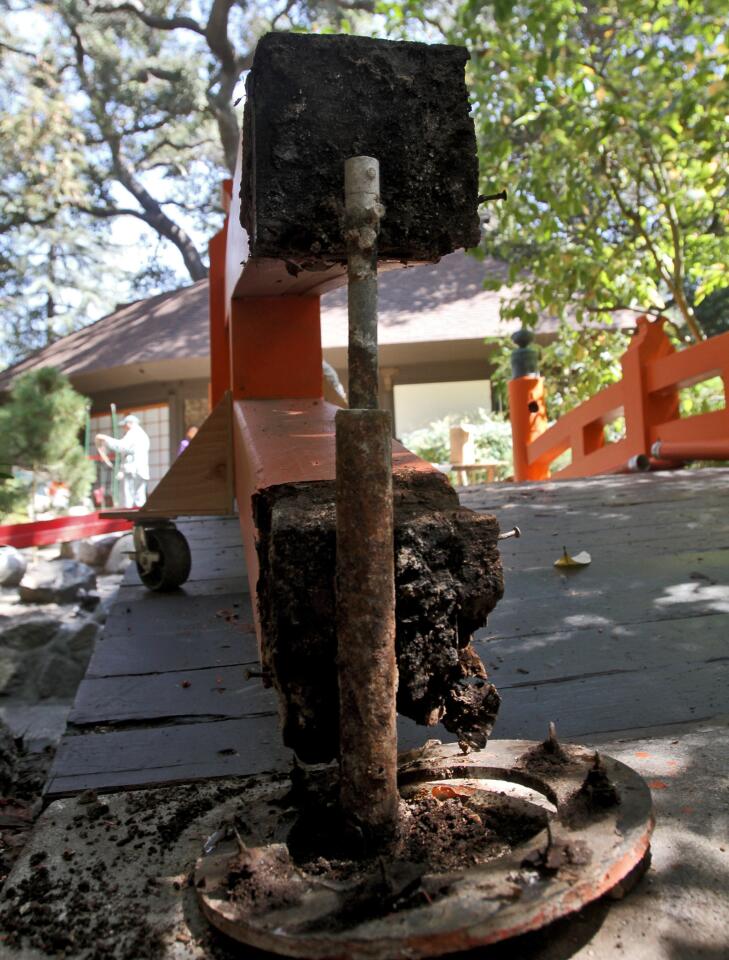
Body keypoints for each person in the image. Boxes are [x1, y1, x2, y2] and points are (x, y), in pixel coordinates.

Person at [95, 414, 150, 508]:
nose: (124, 428)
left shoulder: (134, 432)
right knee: (139, 499)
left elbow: (121, 446)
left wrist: (106, 438)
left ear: (129, 424)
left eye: (124, 425)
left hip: (133, 470)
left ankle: (128, 522)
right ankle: (140, 520)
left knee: (128, 499)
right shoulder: (143, 435)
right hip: (141, 470)